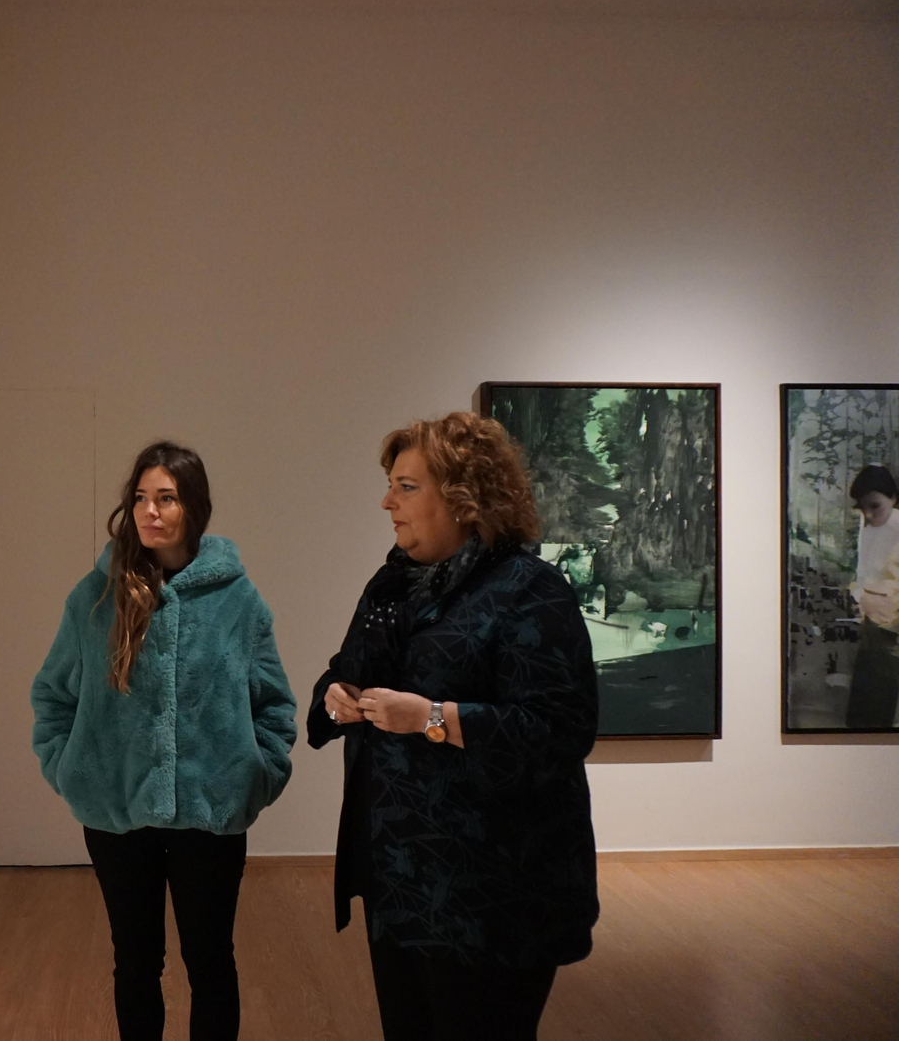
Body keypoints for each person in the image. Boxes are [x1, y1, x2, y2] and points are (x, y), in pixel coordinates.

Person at [307, 412, 599, 1041]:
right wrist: (334, 698)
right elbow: (343, 672)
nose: (387, 501)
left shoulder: (530, 590)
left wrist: (433, 718)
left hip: (493, 894)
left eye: (407, 486)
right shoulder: (391, 585)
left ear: (466, 497)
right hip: (399, 883)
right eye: (391, 484)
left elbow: (560, 730)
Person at [31, 441, 296, 1041]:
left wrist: (258, 775)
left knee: (211, 962)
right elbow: (53, 696)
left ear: (194, 507)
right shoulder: (95, 596)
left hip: (213, 815)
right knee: (136, 963)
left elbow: (274, 704)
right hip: (117, 815)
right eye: (141, 498)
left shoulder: (238, 600)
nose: (150, 512)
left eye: (166, 498)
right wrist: (69, 769)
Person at [846, 464, 899, 727]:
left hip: (895, 635)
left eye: (875, 506)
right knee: (861, 710)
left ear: (893, 498)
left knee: (883, 707)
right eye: (863, 507)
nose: (868, 513)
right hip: (871, 629)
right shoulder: (867, 531)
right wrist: (857, 596)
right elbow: (861, 576)